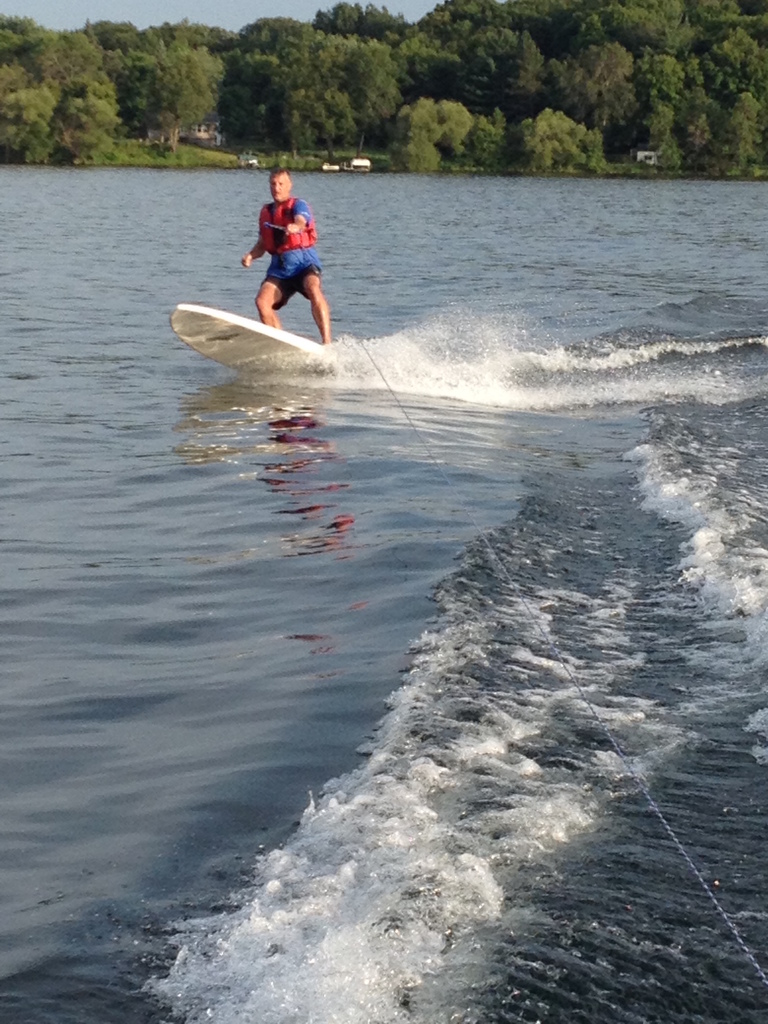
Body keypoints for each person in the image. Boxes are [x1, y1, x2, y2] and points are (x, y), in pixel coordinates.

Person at [241, 168, 332, 345]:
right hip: (280, 268)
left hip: (304, 263)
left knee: (313, 288)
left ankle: (327, 343)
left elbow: (301, 221)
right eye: (273, 184)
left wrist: (296, 226)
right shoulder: (266, 212)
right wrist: (251, 255)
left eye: (281, 184)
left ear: (289, 185)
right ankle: (279, 343)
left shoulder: (298, 205)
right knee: (262, 302)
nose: (277, 188)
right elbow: (262, 244)